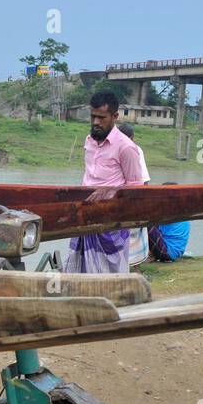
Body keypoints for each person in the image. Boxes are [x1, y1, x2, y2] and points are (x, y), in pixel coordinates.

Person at [63, 91, 146, 274]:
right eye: (93, 116)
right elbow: (89, 177)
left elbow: (136, 189)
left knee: (109, 278)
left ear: (115, 116)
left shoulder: (126, 148)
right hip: (85, 218)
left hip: (110, 225)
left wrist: (109, 190)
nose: (95, 122)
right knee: (78, 274)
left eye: (101, 117)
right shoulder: (89, 140)